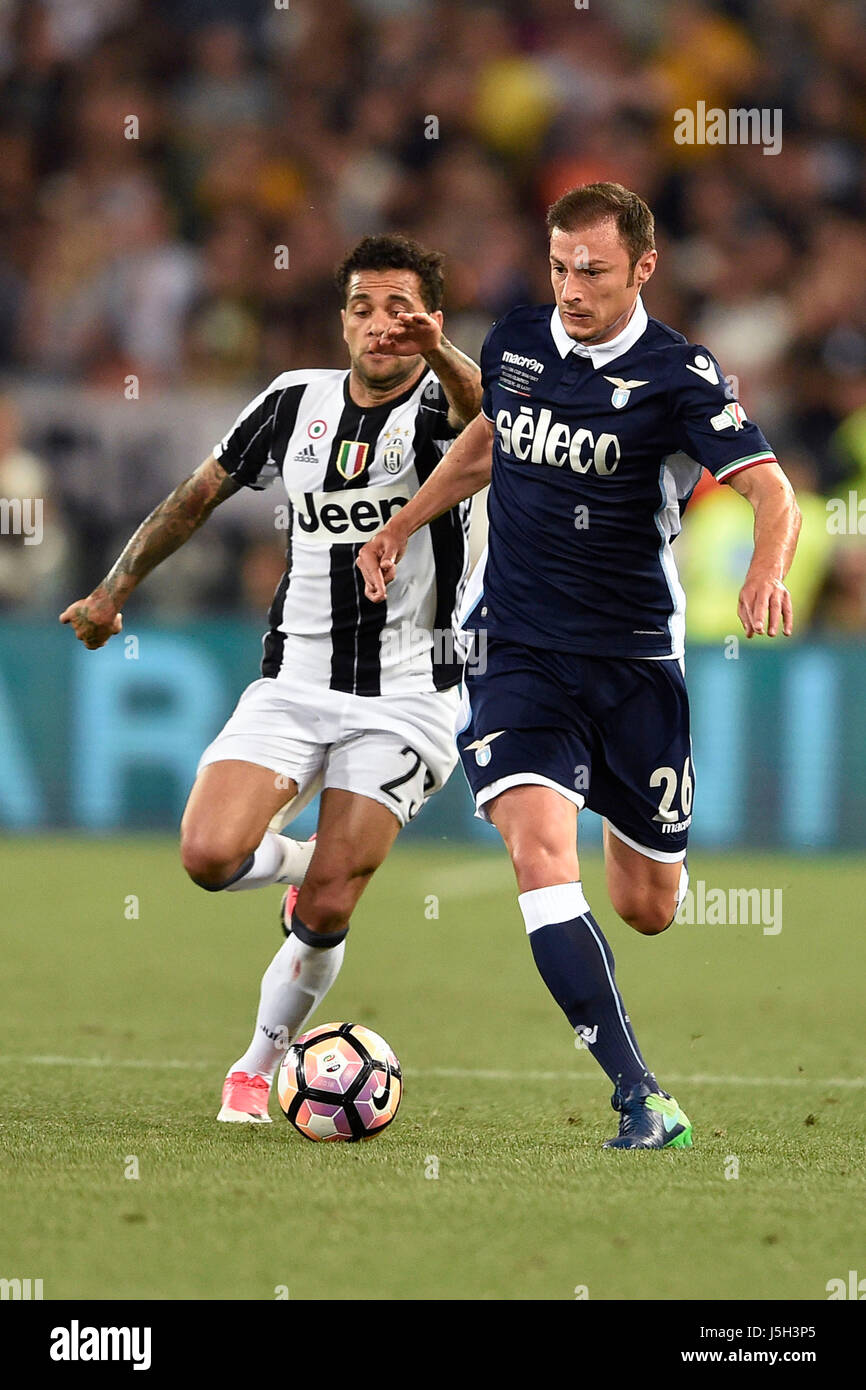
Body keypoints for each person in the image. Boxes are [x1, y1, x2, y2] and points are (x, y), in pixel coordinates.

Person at [357, 183, 802, 1150]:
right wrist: (401, 521)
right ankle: (640, 1095)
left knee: (649, 908)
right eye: (560, 266)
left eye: (593, 271)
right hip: (515, 648)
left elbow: (773, 492)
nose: (572, 287)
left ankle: (615, 820)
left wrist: (767, 570)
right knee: (538, 859)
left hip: (634, 664)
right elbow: (486, 443)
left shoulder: (680, 375)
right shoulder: (515, 345)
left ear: (642, 267)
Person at [60, 234, 482, 1123]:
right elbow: (197, 494)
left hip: (410, 694)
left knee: (330, 903)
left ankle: (256, 1065)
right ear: (341, 318)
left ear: (430, 319)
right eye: (363, 308)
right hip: (294, 678)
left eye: (400, 309)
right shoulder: (296, 402)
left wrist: (440, 349)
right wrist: (113, 589)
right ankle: (302, 864)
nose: (380, 326)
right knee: (208, 857)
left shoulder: (447, 411)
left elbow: (482, 415)